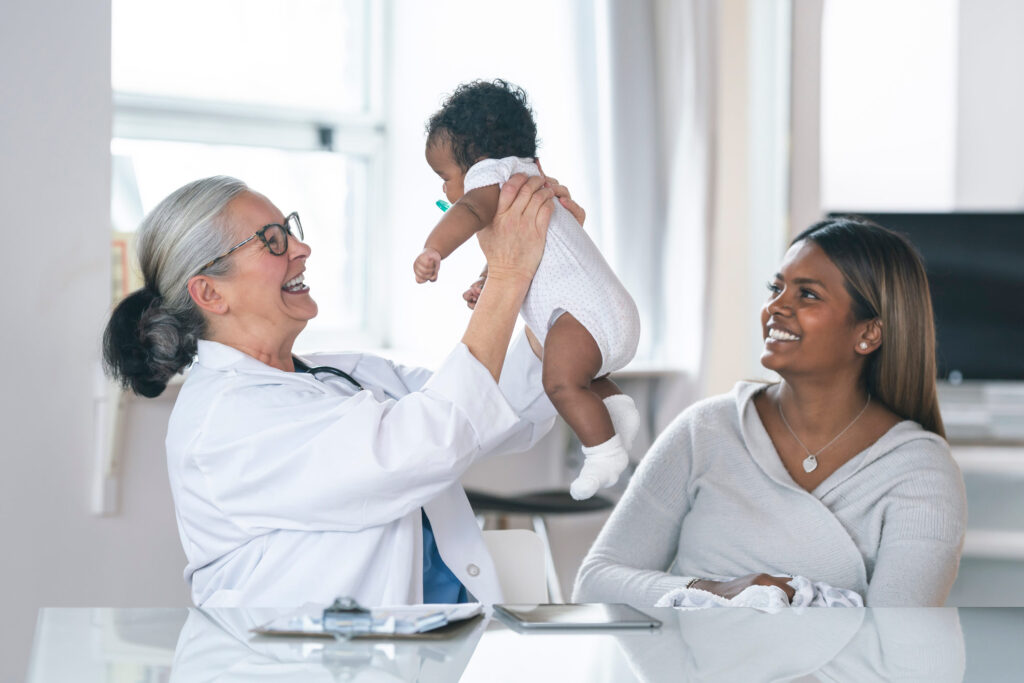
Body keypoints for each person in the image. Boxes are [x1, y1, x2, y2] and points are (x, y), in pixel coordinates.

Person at [102, 172, 582, 608]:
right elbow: (424, 446)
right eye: (272, 241)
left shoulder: (339, 374)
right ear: (209, 293)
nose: (300, 248)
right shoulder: (226, 420)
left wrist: (550, 268)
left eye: (289, 229)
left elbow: (500, 410)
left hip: (421, 650)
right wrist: (508, 275)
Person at [573, 217, 967, 607]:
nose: (776, 307)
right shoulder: (705, 430)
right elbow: (595, 582)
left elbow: (902, 645)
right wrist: (711, 590)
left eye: (807, 295)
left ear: (868, 334)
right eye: (776, 288)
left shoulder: (919, 471)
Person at [414, 79, 642, 501]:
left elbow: (468, 209)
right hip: (610, 313)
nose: (445, 190)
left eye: (444, 176)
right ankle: (615, 409)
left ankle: (603, 453)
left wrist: (434, 248)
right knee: (583, 375)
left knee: (562, 384)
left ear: (475, 159)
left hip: (583, 318)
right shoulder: (530, 174)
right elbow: (527, 253)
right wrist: (490, 281)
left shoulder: (490, 175)